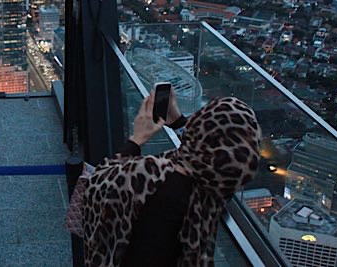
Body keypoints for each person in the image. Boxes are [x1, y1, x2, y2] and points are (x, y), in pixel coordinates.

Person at [82, 90, 261, 266]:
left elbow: (96, 185)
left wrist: (136, 139)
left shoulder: (149, 175)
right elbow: (210, 152)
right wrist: (178, 122)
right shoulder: (218, 187)